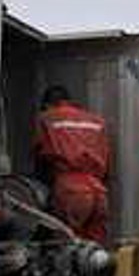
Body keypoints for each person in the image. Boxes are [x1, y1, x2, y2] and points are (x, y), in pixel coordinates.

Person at [32, 85, 112, 242]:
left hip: (70, 191)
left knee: (66, 249)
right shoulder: (96, 121)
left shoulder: (48, 118)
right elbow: (107, 159)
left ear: (47, 104)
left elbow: (39, 156)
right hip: (99, 192)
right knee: (96, 255)